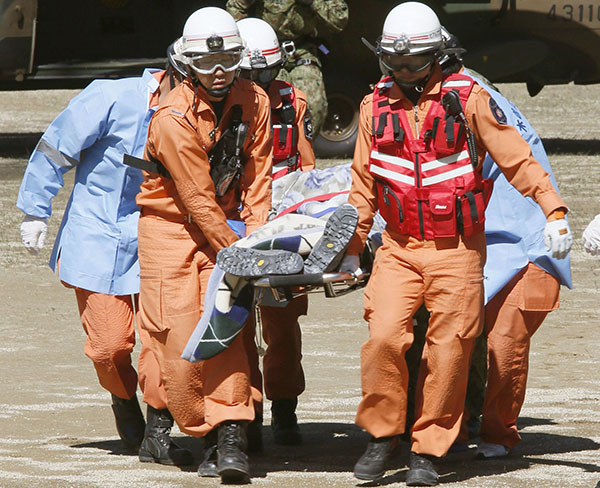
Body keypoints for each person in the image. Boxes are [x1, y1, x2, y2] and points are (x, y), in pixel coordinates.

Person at [339, 2, 572, 485]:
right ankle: (383, 435)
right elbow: (362, 185)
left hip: (458, 251)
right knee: (383, 338)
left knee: (448, 352)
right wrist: (349, 245)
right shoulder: (371, 107)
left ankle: (429, 449)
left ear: (438, 55)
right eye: (393, 62)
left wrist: (554, 210)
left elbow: (518, 160)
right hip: (398, 249)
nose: (403, 72)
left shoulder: (470, 100)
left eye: (414, 63)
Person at [16, 44, 191, 466]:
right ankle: (122, 398)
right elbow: (57, 147)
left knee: (161, 343)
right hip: (98, 234)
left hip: (163, 235)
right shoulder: (110, 97)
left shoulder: (203, 109)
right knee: (109, 345)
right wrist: (35, 209)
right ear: (174, 73)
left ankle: (157, 429)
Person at [134, 7, 272, 483]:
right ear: (187, 61)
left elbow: (257, 176)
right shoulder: (172, 117)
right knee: (175, 335)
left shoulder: (254, 98)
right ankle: (176, 425)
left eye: (230, 58)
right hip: (170, 228)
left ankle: (228, 434)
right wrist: (240, 251)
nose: (219, 71)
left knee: (226, 325)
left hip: (227, 224)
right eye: (208, 61)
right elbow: (196, 197)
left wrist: (259, 236)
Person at [235, 16, 316, 447]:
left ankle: (285, 409)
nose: (259, 82)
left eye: (266, 72)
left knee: (284, 327)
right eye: (250, 74)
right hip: (236, 225)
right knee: (239, 325)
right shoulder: (218, 101)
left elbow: (307, 165)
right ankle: (246, 415)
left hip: (284, 226)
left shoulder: (294, 102)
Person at [226, 0, 350, 136]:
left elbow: (339, 20)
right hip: (265, 51)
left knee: (314, 105)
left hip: (301, 49)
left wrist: (313, 2)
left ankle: (300, 147)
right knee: (266, 101)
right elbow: (234, 13)